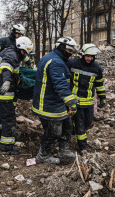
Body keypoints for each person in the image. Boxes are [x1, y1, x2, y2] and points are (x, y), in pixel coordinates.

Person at [32, 36, 78, 164]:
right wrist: (71, 102)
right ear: (61, 48)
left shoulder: (54, 58)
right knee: (54, 131)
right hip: (48, 104)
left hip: (55, 101)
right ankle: (43, 155)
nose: (71, 53)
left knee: (67, 126)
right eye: (69, 50)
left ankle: (63, 149)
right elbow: (60, 84)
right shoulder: (55, 62)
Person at [0, 36, 34, 154]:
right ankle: (6, 147)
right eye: (24, 52)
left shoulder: (9, 51)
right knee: (9, 119)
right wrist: (7, 81)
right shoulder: (12, 55)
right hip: (2, 92)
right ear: (20, 48)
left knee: (2, 115)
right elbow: (5, 67)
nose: (24, 55)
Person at [68, 43, 106, 155]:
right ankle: (83, 147)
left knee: (88, 123)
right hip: (76, 101)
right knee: (80, 125)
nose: (89, 58)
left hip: (88, 102)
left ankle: (72, 130)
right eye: (87, 56)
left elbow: (99, 84)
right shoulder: (73, 63)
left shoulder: (97, 68)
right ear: (83, 55)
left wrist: (102, 98)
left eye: (92, 56)